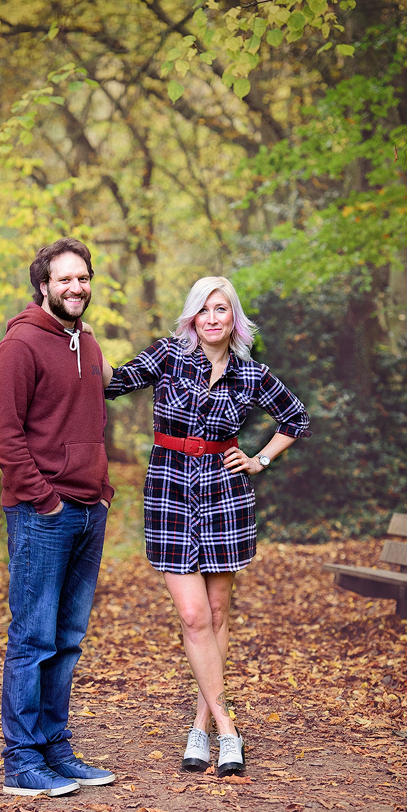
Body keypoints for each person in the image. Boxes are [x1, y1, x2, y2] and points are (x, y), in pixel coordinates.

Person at [97, 276, 311, 777]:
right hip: (170, 492)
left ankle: (200, 726)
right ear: (192, 316)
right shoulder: (169, 355)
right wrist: (82, 335)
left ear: (234, 317)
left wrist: (259, 460)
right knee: (193, 616)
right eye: (204, 309)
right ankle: (228, 727)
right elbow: (113, 383)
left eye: (221, 309)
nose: (212, 318)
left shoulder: (250, 374)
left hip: (225, 496)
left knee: (216, 615)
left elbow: (295, 419)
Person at [0, 237, 115, 797]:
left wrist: (102, 491)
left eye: (82, 277)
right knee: (33, 637)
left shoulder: (87, 341)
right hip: (43, 513)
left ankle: (55, 749)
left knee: (67, 639)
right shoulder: (19, 346)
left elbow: (92, 423)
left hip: (89, 510)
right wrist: (46, 500)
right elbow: (4, 439)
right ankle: (21, 761)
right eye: (65, 278)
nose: (76, 287)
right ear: (44, 285)